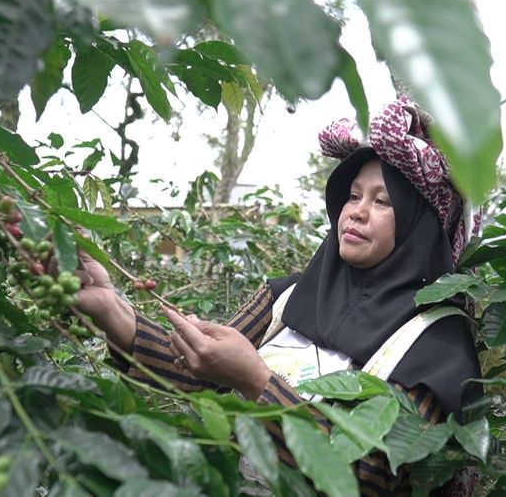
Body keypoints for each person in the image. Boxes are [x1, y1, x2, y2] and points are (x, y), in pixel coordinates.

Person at [73, 96, 483, 496]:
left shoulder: (437, 344)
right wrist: (111, 309)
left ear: (417, 228)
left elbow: (372, 474)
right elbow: (197, 370)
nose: (356, 211)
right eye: (353, 196)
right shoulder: (287, 298)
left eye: (383, 202)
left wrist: (256, 380)